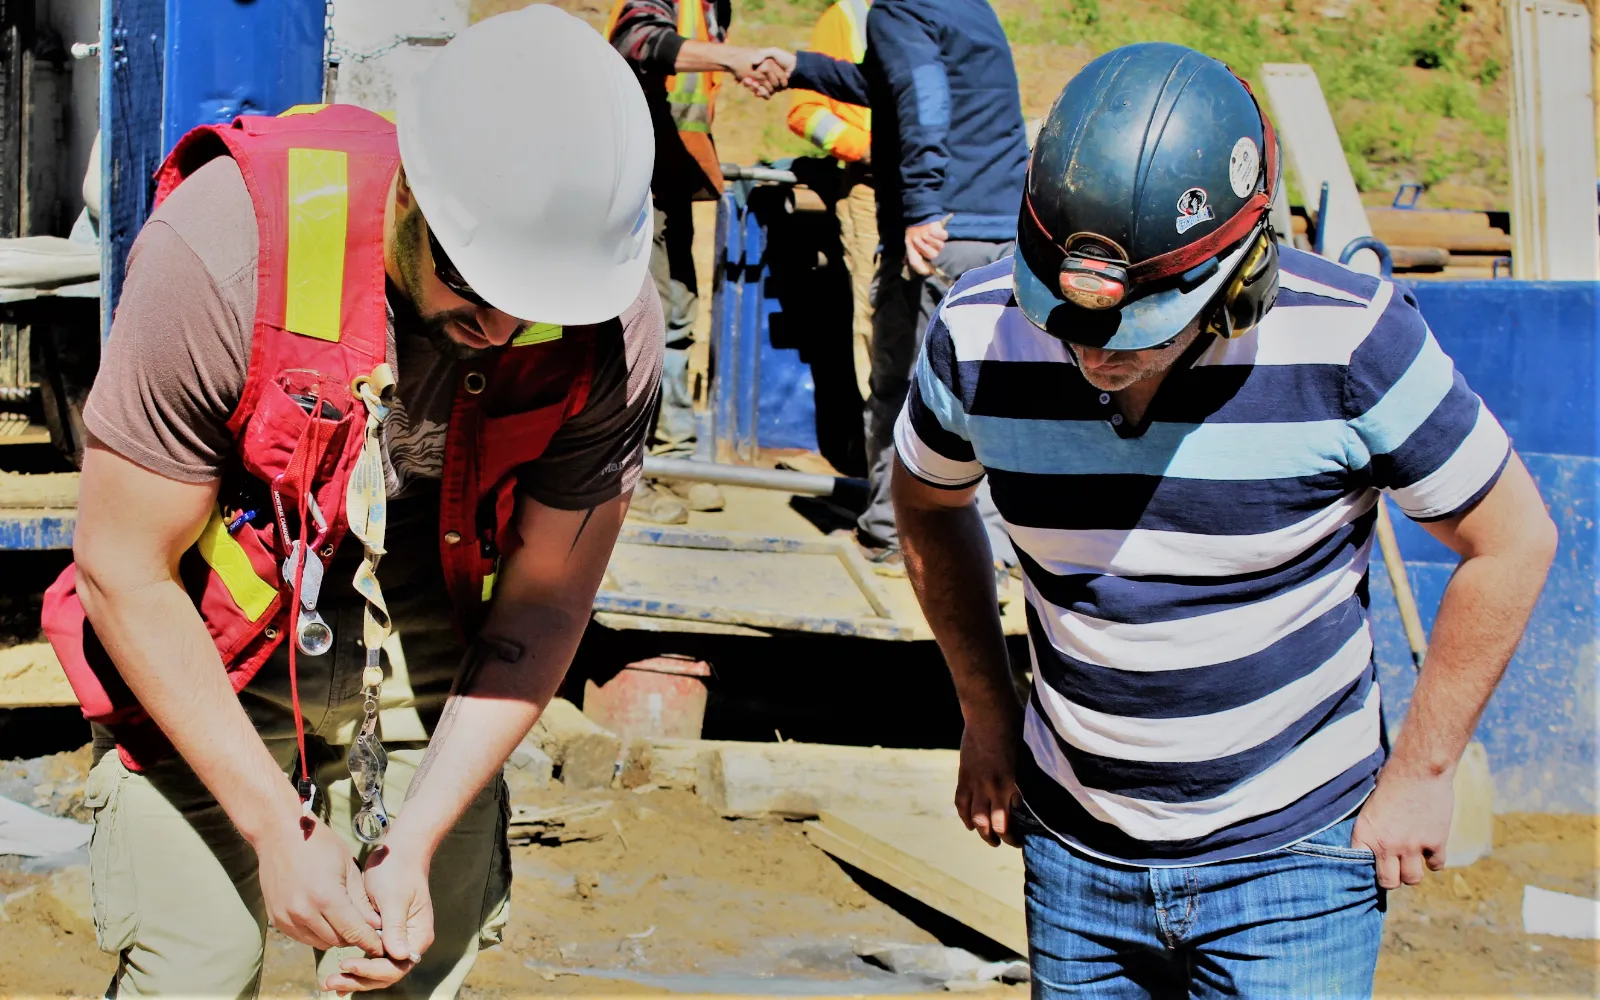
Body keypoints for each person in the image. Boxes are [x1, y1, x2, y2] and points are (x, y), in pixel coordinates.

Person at [890, 43, 1556, 998]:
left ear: (1241, 274)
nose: (1094, 357)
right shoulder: (976, 332)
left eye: (1138, 330)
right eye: (1067, 323)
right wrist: (987, 713)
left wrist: (1423, 770)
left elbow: (1513, 539)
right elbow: (924, 498)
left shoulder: (1352, 339)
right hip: (1077, 857)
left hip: (1295, 862)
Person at [42, 8, 663, 997]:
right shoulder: (230, 245)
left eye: (532, 296)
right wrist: (275, 830)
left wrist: (412, 841)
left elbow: (546, 599)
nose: (499, 326)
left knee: (413, 954)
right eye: (472, 281)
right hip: (209, 646)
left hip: (427, 647)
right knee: (202, 962)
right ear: (413, 191)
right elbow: (123, 568)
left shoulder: (609, 321)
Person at [751, 0, 1026, 572]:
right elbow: (893, 80)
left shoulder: (899, 9)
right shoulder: (967, 7)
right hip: (997, 228)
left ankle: (892, 531)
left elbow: (920, 98)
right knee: (991, 392)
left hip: (942, 232)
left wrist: (922, 206)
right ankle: (994, 543)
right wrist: (800, 66)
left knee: (904, 387)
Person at [607, 0, 782, 473]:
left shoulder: (713, 8)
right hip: (633, 189)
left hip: (668, 183)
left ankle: (671, 451)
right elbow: (637, 40)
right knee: (646, 325)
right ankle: (649, 467)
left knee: (677, 317)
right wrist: (730, 57)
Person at [785, 0, 876, 402]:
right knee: (875, 312)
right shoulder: (846, 18)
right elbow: (805, 110)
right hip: (871, 187)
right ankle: (886, 445)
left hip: (937, 186)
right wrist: (867, 148)